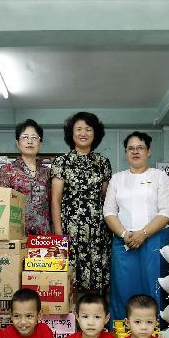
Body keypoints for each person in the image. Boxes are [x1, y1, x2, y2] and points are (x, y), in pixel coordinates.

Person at [104, 131, 169, 325]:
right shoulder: (117, 179)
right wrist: (126, 234)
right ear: (126, 152)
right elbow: (109, 212)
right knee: (122, 289)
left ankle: (155, 334)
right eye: (131, 148)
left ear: (148, 151)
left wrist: (143, 234)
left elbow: (167, 211)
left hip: (154, 240)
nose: (135, 152)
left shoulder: (160, 176)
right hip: (123, 241)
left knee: (153, 287)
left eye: (140, 147)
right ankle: (121, 334)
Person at [51, 112, 113, 296]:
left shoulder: (103, 163)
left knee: (96, 283)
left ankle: (94, 322)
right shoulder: (62, 161)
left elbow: (107, 199)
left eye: (88, 128)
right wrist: (59, 236)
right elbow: (55, 200)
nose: (83, 133)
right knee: (69, 284)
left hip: (98, 232)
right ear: (71, 133)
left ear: (96, 134)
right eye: (78, 129)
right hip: (70, 230)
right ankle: (71, 324)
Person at [0, 119, 52, 235]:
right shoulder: (7, 170)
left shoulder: (48, 172)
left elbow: (53, 204)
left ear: (40, 143)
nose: (30, 141)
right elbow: (0, 202)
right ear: (17, 143)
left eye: (34, 137)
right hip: (15, 232)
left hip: (43, 234)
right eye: (25, 137)